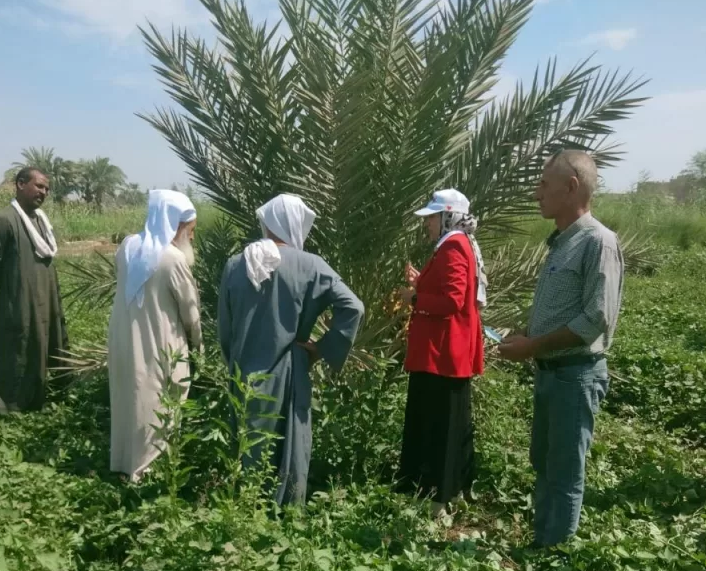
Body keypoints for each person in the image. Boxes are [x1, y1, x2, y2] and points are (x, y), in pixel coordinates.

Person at [498, 149, 624, 547]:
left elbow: (594, 320)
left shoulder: (598, 243)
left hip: (576, 375)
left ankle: (552, 558)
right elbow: (560, 311)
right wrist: (523, 333)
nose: (537, 194)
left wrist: (532, 345)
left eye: (543, 185)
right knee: (544, 463)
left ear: (572, 187)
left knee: (565, 470)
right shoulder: (561, 243)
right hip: (551, 372)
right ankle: (541, 541)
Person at [217, 193, 364, 506]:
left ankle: (246, 514)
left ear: (267, 223)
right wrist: (320, 349)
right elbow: (353, 307)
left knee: (247, 446)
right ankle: (288, 519)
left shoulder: (235, 264)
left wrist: (235, 359)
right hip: (289, 370)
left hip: (244, 372)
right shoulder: (310, 266)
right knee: (290, 447)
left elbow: (225, 329)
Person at [395, 188, 487, 518]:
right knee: (453, 421)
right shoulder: (457, 244)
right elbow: (452, 289)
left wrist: (414, 298)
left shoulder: (452, 247)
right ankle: (453, 488)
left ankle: (435, 495)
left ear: (448, 217)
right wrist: (423, 282)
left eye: (432, 218)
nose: (427, 225)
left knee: (438, 424)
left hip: (442, 353)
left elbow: (452, 301)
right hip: (447, 351)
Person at [107, 189, 203, 482]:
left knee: (130, 400)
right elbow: (190, 311)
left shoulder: (126, 247)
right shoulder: (173, 259)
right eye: (190, 231)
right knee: (159, 403)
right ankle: (149, 473)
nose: (192, 238)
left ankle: (125, 465)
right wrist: (198, 346)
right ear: (175, 224)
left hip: (124, 339)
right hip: (159, 341)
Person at [0, 167, 68, 415]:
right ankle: (11, 406)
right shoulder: (5, 220)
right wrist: (17, 287)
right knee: (20, 348)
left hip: (47, 299)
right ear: (20, 184)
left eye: (47, 188)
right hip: (20, 303)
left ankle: (44, 398)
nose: (44, 192)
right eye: (39, 186)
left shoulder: (41, 220)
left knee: (49, 342)